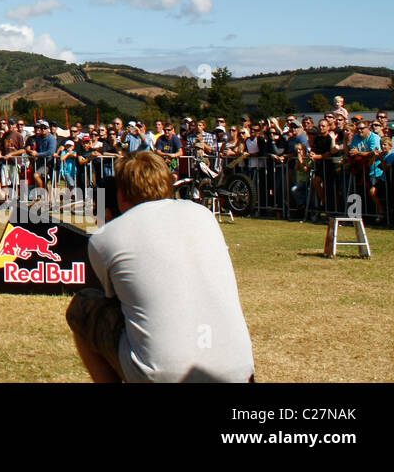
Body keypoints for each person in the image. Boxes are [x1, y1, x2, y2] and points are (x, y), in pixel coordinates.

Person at [66, 152, 254, 383]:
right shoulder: (203, 215)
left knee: (83, 306)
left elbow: (115, 302)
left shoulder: (105, 238)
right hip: (239, 371)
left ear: (121, 192)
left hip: (160, 375)